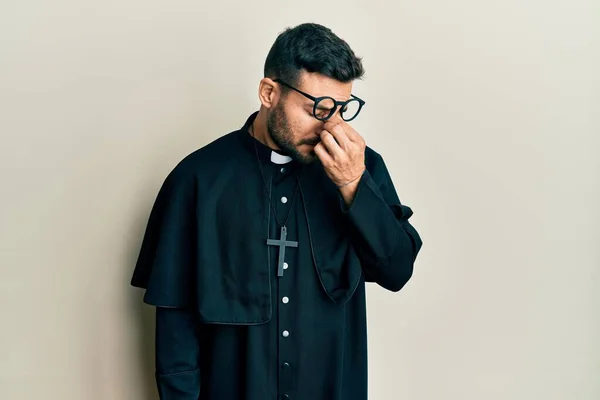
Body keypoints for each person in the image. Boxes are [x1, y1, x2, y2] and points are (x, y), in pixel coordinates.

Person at [130, 22, 423, 400]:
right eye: (317, 108)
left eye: (341, 109)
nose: (330, 126)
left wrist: (353, 186)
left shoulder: (360, 167)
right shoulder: (197, 179)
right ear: (269, 92)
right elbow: (174, 326)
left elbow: (397, 271)